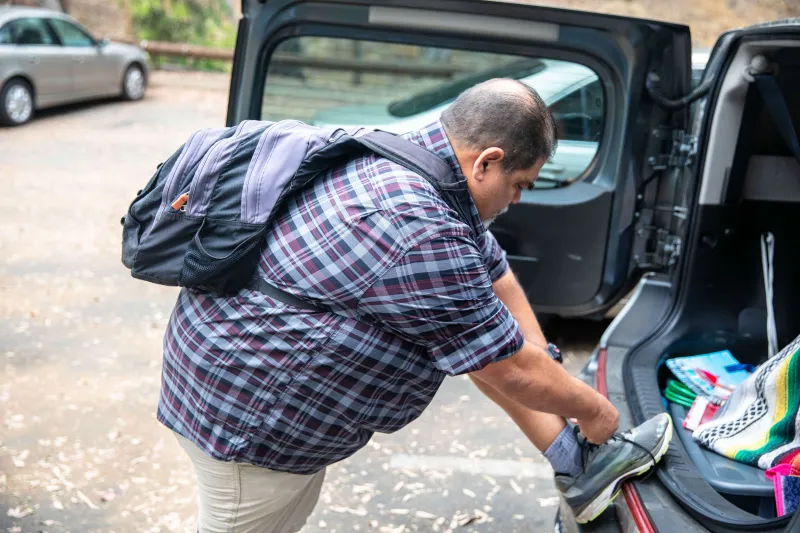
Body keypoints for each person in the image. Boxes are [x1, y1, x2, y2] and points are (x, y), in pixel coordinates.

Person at [157, 78, 672, 532]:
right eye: (518, 185)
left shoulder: (413, 160)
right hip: (248, 416)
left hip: (237, 376)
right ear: (487, 161)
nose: (517, 200)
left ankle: (572, 466)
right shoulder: (419, 226)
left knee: (281, 517)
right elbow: (510, 367)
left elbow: (496, 280)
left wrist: (552, 378)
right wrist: (599, 415)